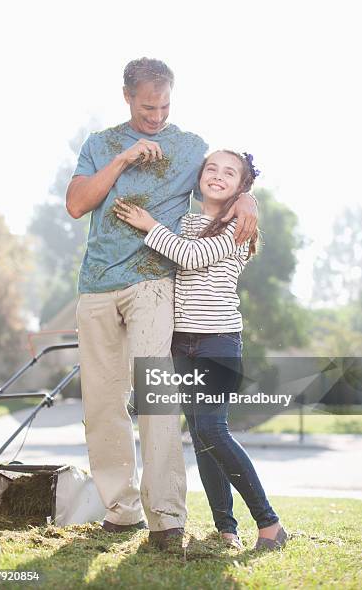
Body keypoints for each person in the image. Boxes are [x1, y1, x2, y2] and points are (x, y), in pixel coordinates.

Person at [66, 58, 258, 549]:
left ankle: (168, 519)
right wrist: (124, 159)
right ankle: (121, 510)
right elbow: (77, 203)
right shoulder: (99, 144)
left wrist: (248, 201)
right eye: (148, 106)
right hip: (97, 284)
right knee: (104, 405)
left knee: (157, 401)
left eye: (165, 105)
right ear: (127, 96)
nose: (156, 116)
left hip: (154, 284)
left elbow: (224, 180)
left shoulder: (190, 147)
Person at [113, 149, 287, 551]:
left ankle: (270, 523)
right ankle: (226, 528)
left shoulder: (239, 226)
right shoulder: (184, 220)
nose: (218, 176)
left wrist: (148, 225)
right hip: (180, 342)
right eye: (212, 168)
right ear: (199, 176)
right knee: (202, 437)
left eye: (230, 173)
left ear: (241, 186)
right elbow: (174, 247)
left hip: (218, 341)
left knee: (212, 429)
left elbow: (190, 257)